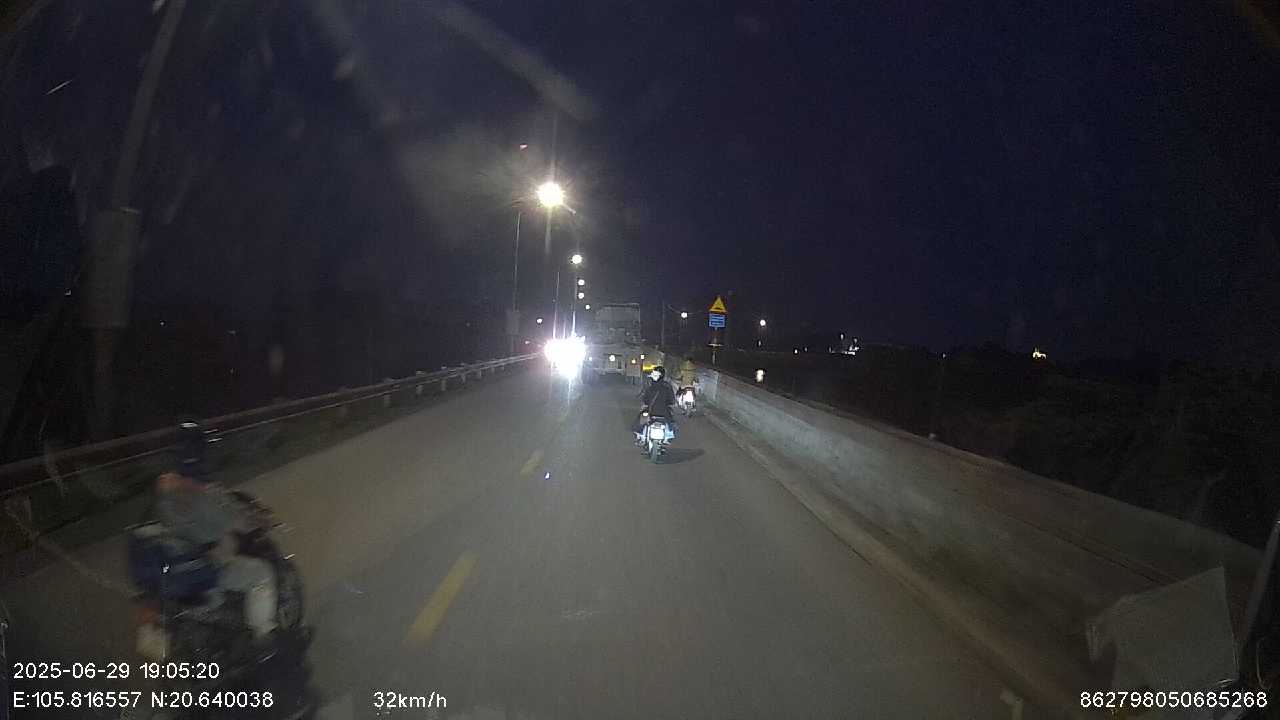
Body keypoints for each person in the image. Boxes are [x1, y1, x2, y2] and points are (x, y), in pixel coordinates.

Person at [151, 422, 279, 648]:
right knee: (261, 572)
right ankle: (264, 637)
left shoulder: (164, 490)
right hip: (205, 569)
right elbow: (239, 521)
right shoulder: (207, 493)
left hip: (173, 569)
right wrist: (260, 521)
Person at [633, 366, 677, 444]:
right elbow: (672, 401)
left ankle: (640, 437)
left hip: (650, 411)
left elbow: (645, 399)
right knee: (671, 423)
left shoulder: (649, 385)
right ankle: (667, 438)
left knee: (640, 421)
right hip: (664, 413)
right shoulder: (667, 386)